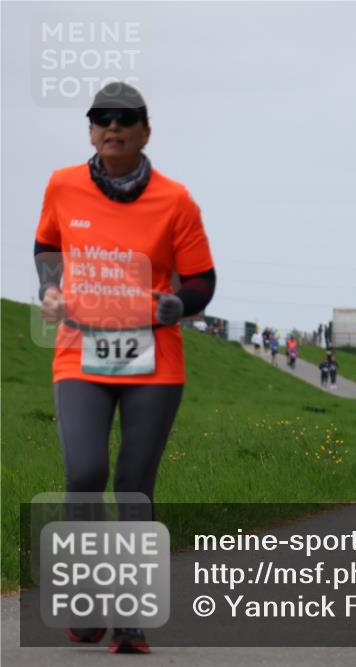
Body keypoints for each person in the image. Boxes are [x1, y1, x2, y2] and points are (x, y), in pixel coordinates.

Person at [34, 82, 215, 654]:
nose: (112, 126)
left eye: (125, 118)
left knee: (134, 483)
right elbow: (45, 245)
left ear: (145, 130)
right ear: (90, 129)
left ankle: (132, 617)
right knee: (85, 472)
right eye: (101, 118)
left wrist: (175, 305)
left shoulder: (176, 199)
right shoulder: (62, 185)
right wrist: (50, 286)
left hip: (154, 360)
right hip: (79, 352)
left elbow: (202, 281)